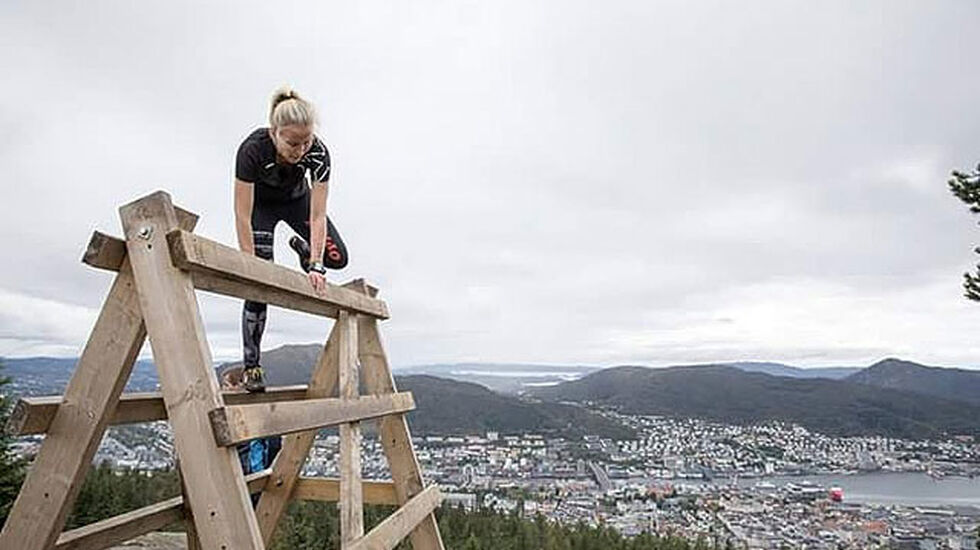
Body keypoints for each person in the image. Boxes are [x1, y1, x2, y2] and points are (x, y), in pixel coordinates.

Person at [234, 86, 349, 392]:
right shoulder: (252, 149)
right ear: (274, 132)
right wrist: (249, 263)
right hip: (262, 208)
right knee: (259, 284)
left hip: (298, 203)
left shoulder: (319, 153)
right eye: (292, 142)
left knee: (337, 259)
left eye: (305, 141)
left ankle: (303, 251)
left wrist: (316, 265)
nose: (299, 150)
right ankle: (252, 366)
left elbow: (318, 214)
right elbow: (242, 212)